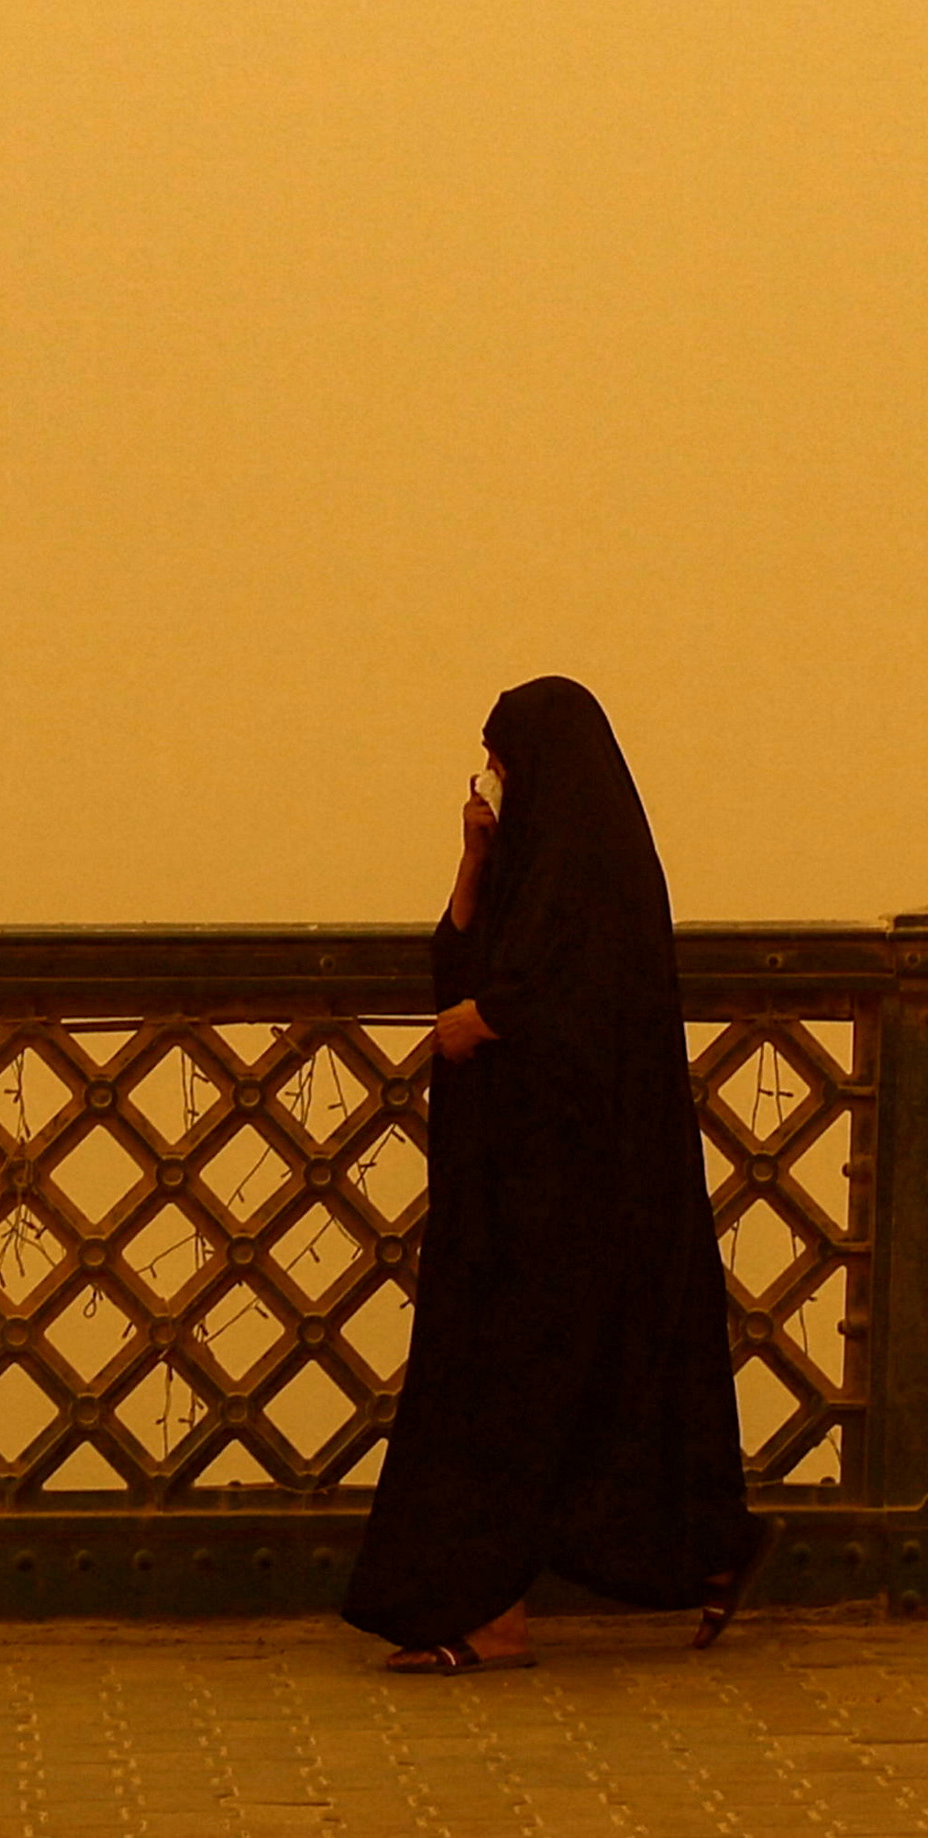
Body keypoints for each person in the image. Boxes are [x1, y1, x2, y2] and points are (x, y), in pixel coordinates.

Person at [341, 675, 768, 1673]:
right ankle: (696, 1553)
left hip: (569, 1184)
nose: (491, 778)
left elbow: (581, 997)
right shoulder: (534, 864)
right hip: (513, 1177)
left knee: (514, 1381)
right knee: (567, 1378)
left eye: (504, 759)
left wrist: (488, 1020)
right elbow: (467, 965)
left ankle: (487, 1607)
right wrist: (472, 865)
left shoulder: (596, 865)